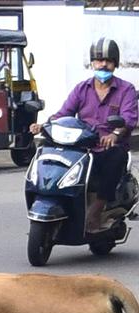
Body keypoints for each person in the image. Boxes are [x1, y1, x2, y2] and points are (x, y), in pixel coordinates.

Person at [30, 37, 137, 233]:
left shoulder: (126, 89)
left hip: (108, 147)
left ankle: (97, 210)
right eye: (98, 60)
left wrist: (115, 134)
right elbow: (64, 113)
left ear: (115, 64)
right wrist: (43, 125)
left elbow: (129, 119)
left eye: (108, 60)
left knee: (116, 156)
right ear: (92, 63)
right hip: (81, 145)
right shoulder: (82, 88)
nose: (103, 64)